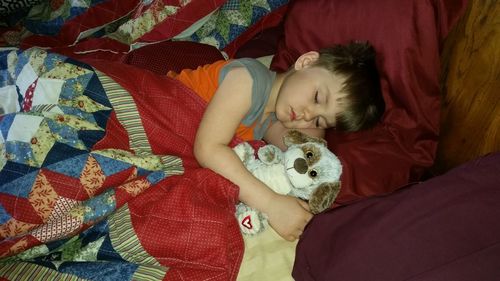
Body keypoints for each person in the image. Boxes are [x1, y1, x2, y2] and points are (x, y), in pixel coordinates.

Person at [167, 42, 385, 241]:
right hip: (159, 112)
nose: (307, 115)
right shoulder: (248, 79)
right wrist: (272, 204)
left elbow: (306, 149)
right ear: (306, 61)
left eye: (319, 120)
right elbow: (208, 149)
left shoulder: (272, 119)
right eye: (317, 97)